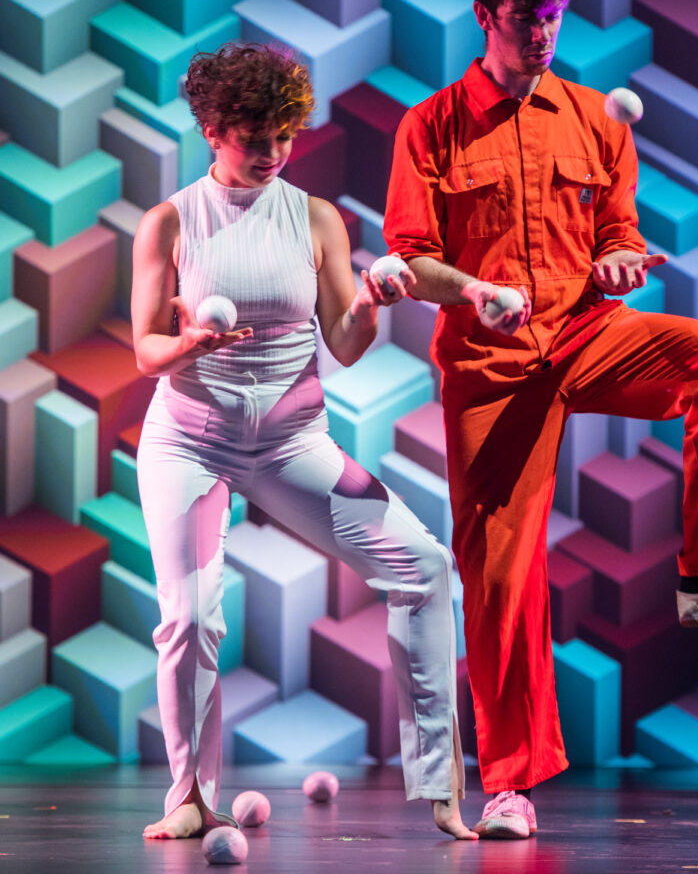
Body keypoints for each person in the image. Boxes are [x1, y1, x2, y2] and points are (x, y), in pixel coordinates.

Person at [382, 0, 698, 840]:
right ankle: (508, 785)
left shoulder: (593, 117)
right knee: (502, 579)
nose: (540, 35)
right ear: (482, 14)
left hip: (587, 333)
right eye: (522, 20)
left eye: (551, 18)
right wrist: (476, 294)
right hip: (490, 369)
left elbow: (619, 232)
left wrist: (621, 260)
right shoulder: (430, 125)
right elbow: (411, 260)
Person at [131, 42, 475, 843]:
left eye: (283, 135)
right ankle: (188, 794)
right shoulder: (171, 221)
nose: (273, 152)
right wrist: (188, 350)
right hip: (189, 441)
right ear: (213, 130)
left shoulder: (314, 216)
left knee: (423, 566)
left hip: (292, 442)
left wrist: (371, 303)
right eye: (255, 137)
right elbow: (144, 349)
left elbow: (345, 345)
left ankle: (440, 788)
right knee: (191, 616)